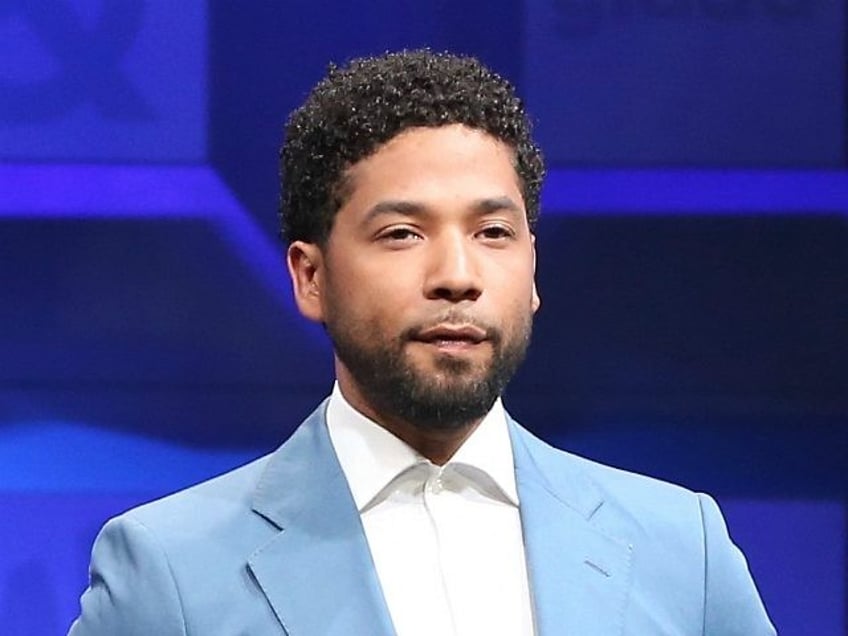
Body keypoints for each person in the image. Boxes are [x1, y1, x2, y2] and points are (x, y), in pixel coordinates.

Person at [69, 50, 775, 635]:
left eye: (493, 233)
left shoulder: (683, 546)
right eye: (402, 234)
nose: (457, 276)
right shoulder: (169, 568)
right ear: (311, 276)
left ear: (532, 269)